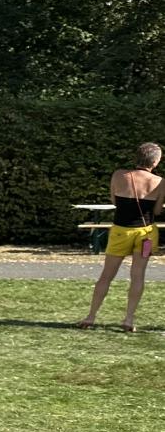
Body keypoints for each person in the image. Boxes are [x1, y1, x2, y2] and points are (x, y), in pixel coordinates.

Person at [76, 142, 161, 332]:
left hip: (121, 231)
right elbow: (156, 210)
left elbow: (114, 201)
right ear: (155, 162)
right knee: (138, 276)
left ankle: (91, 316)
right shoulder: (160, 182)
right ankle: (128, 319)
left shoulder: (118, 175)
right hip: (146, 234)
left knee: (106, 275)